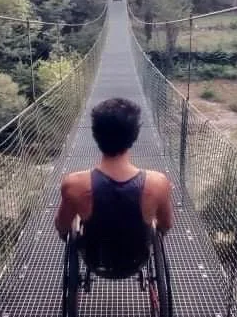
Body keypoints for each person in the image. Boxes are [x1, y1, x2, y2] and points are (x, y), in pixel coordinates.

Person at [55, 98, 173, 275]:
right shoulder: (158, 183)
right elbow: (166, 225)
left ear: (95, 134)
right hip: (137, 261)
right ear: (134, 135)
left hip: (95, 260)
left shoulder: (74, 184)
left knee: (77, 217)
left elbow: (62, 226)